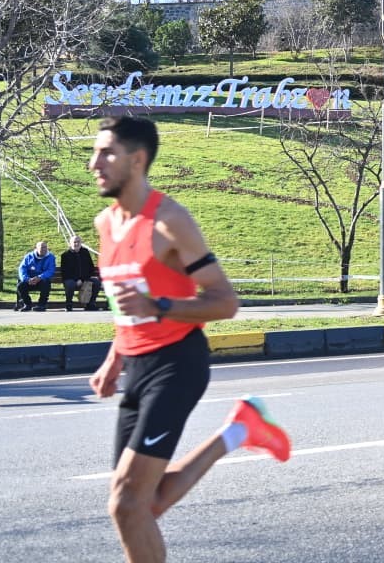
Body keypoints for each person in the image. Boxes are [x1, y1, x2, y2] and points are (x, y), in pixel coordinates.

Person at [87, 116, 291, 563]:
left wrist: (161, 306)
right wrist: (113, 360)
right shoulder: (105, 224)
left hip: (176, 363)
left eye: (107, 153)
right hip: (136, 367)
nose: (93, 163)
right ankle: (241, 430)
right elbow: (126, 303)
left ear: (137, 160)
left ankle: (242, 429)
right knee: (144, 506)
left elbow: (225, 302)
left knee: (125, 502)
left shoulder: (169, 221)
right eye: (95, 152)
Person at [60, 234, 100, 312]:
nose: (76, 244)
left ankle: (91, 304)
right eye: (74, 242)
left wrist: (82, 279)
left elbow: (90, 268)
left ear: (81, 242)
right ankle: (69, 304)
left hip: (84, 278)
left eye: (78, 242)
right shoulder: (65, 255)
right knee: (70, 284)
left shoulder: (85, 252)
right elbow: (65, 272)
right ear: (70, 243)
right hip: (71, 279)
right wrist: (76, 280)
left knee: (96, 282)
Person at [16, 241, 56, 312]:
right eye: (41, 247)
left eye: (45, 247)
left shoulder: (51, 257)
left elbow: (50, 270)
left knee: (46, 283)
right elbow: (22, 268)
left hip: (41, 281)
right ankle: (27, 304)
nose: (44, 249)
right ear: (36, 248)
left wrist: (40, 277)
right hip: (29, 281)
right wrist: (27, 279)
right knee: (20, 286)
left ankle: (41, 305)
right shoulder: (29, 256)